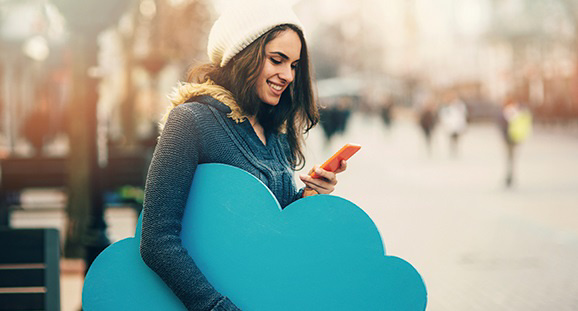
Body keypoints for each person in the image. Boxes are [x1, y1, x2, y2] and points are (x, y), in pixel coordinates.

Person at [139, 1, 348, 310]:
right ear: (243, 54)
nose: (287, 75)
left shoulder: (273, 130)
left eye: (293, 65)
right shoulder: (190, 121)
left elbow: (269, 228)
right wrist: (215, 306)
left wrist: (310, 196)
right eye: (277, 60)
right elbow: (157, 240)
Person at [499, 95, 532, 187]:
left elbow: (502, 125)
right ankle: (510, 176)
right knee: (511, 158)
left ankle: (510, 176)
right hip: (515, 137)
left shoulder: (507, 112)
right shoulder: (520, 110)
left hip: (510, 138)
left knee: (510, 158)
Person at [439, 92, 468, 157]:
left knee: (456, 138)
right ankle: (453, 149)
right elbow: (443, 116)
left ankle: (455, 148)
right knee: (451, 138)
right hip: (449, 126)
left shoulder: (459, 105)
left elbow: (463, 115)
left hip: (457, 125)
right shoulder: (445, 106)